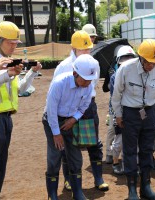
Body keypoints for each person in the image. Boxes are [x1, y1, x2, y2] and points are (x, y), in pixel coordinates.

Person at [0, 21, 42, 199]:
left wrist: (31, 72)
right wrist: (2, 72)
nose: (13, 47)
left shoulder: (10, 62)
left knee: (1, 163)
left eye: (16, 43)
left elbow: (19, 90)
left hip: (7, 119)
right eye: (10, 43)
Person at [54, 30, 109, 191]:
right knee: (67, 145)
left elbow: (92, 84)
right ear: (73, 48)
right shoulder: (64, 66)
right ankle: (69, 179)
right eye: (82, 50)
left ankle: (98, 178)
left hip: (87, 106)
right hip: (67, 109)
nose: (86, 53)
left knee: (93, 143)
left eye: (88, 49)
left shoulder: (94, 63)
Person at [112, 39, 155, 200]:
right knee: (129, 151)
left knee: (148, 150)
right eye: (149, 62)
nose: (151, 66)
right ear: (141, 58)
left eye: (154, 63)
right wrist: (118, 115)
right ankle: (132, 190)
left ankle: (146, 187)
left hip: (149, 113)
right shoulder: (126, 69)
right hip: (129, 113)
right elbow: (116, 94)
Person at [43, 54, 98, 200]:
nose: (88, 83)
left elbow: (84, 106)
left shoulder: (88, 86)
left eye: (90, 80)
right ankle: (52, 195)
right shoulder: (59, 83)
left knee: (76, 157)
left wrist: (74, 119)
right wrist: (56, 133)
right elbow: (51, 111)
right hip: (52, 120)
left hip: (71, 121)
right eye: (85, 79)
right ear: (75, 73)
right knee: (55, 155)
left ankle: (77, 192)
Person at [108, 45, 136, 175]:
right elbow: (116, 97)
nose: (127, 60)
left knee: (131, 141)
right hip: (119, 112)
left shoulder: (135, 75)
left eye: (130, 57)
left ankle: (127, 164)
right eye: (125, 58)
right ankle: (115, 162)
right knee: (119, 140)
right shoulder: (114, 77)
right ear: (119, 61)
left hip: (132, 112)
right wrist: (118, 115)